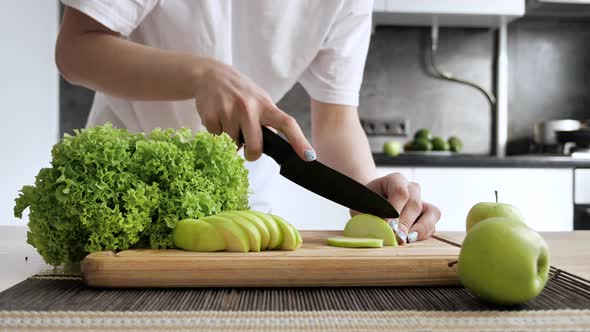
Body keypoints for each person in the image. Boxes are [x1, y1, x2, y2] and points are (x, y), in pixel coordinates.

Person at [55, 0, 440, 244]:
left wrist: (369, 194)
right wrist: (201, 74)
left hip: (239, 209)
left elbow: (336, 121)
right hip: (123, 201)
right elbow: (75, 50)